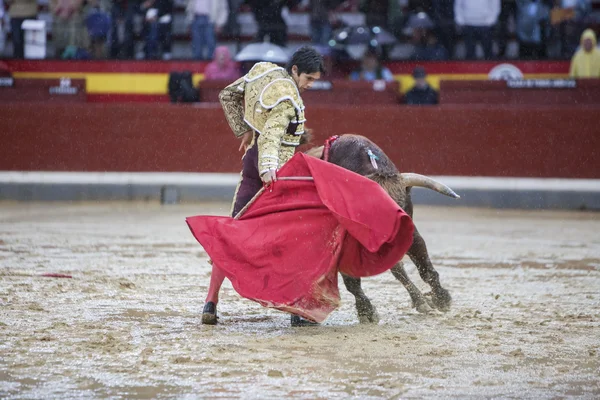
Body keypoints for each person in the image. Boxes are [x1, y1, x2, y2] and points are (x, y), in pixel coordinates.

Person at [202, 46, 324, 326]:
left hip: (251, 162)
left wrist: (244, 128)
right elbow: (271, 137)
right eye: (308, 79)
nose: (309, 85)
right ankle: (297, 311)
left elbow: (227, 95)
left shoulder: (263, 70)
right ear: (294, 70)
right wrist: (269, 172)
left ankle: (211, 303)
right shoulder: (288, 96)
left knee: (232, 231)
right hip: (278, 172)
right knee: (298, 238)